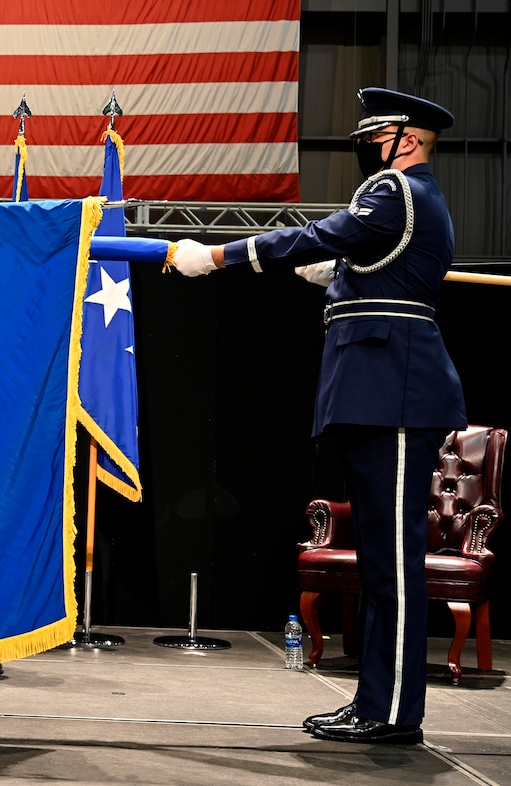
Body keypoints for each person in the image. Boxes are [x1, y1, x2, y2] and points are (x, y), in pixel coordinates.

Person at [170, 87, 465, 745]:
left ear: (406, 140)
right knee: (377, 568)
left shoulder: (398, 190)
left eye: (375, 136)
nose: (365, 148)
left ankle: (393, 713)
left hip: (397, 395)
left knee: (392, 565)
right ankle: (373, 702)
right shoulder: (409, 202)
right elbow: (368, 257)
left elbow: (324, 231)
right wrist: (343, 277)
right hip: (375, 394)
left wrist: (220, 255)